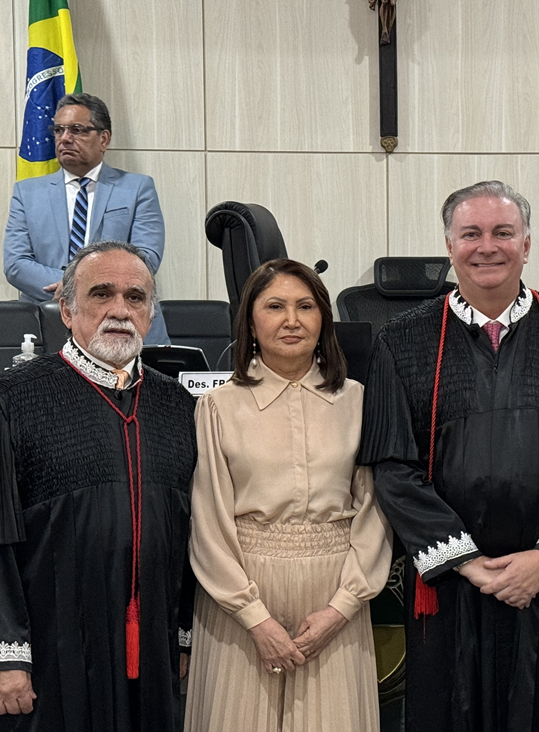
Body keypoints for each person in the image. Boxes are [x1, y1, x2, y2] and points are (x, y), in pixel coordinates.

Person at [358, 180, 539, 732]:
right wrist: (468, 562)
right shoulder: (402, 342)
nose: (486, 246)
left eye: (503, 232)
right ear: (449, 245)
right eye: (471, 233)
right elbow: (393, 470)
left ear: (527, 243)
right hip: (450, 588)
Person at [0, 240, 198, 731]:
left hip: (152, 657)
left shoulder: (179, 409)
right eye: (102, 294)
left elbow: (192, 537)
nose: (120, 310)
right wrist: (0, 657)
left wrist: (182, 637)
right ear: (66, 308)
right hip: (47, 660)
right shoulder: (5, 405)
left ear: (151, 313)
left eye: (136, 297)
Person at [184, 259, 392, 732]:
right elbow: (209, 521)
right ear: (251, 321)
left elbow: (375, 511)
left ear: (324, 320)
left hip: (335, 592)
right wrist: (254, 617)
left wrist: (342, 607)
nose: (292, 320)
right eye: (275, 306)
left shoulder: (360, 401)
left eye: (305, 306)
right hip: (240, 596)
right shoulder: (217, 407)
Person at [3, 93, 170, 344]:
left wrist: (88, 286)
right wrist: (73, 289)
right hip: (47, 324)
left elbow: (146, 257)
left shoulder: (137, 188)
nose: (65, 138)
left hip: (124, 324)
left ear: (104, 138)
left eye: (77, 130)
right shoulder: (27, 193)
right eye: (58, 130)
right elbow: (16, 263)